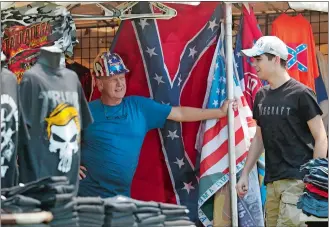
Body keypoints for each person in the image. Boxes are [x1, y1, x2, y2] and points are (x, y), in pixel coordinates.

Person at [78, 52, 237, 198]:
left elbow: (179, 113)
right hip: (86, 196)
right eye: (113, 79)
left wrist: (219, 112)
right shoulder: (85, 111)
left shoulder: (139, 107)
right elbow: (56, 138)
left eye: (122, 77)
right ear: (99, 84)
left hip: (120, 199)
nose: (120, 84)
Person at [236, 36, 328, 227]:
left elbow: (321, 137)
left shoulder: (301, 93)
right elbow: (259, 138)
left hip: (297, 182)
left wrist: (312, 183)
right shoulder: (261, 95)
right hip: (271, 183)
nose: (254, 64)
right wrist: (244, 173)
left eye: (258, 59)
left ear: (276, 59)